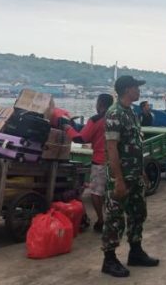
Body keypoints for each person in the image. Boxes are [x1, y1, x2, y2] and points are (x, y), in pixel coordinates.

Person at [101, 75, 159, 278]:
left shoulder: (131, 113)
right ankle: (109, 260)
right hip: (121, 177)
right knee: (115, 218)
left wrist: (141, 171)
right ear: (127, 89)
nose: (139, 90)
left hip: (134, 176)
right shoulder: (114, 113)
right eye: (136, 87)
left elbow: (135, 145)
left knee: (138, 213)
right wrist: (118, 179)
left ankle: (135, 252)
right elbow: (112, 148)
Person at [65, 93, 114, 233]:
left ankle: (101, 220)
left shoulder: (96, 119)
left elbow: (81, 139)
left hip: (100, 161)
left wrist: (68, 129)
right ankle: (113, 219)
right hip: (115, 161)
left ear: (100, 104)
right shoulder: (116, 118)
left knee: (96, 192)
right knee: (111, 192)